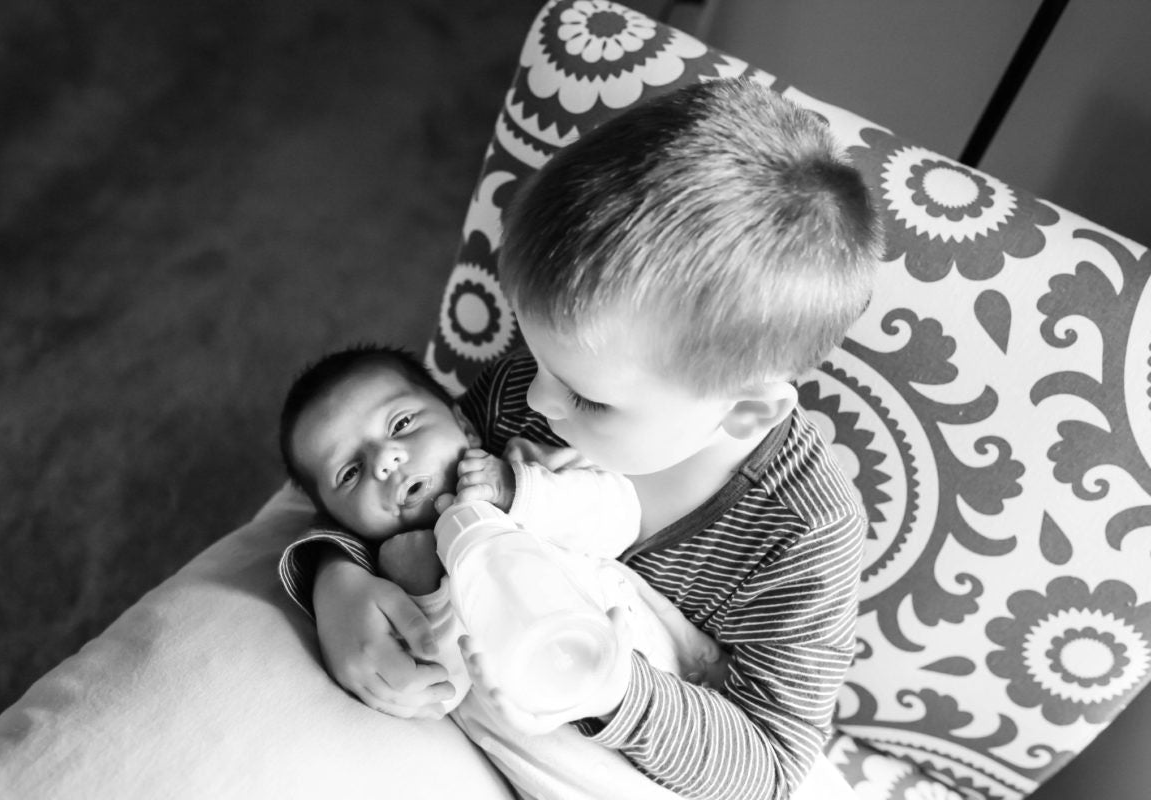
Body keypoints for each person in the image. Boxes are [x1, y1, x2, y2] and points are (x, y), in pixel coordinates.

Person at [290, 76, 880, 800]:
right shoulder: (539, 384)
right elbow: (409, 487)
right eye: (535, 360)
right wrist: (333, 576)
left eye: (588, 398)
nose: (533, 398)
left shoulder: (801, 535)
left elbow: (770, 769)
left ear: (745, 413)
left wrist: (613, 688)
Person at [277, 344, 730, 799]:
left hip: (670, 687)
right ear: (338, 520)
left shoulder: (527, 466)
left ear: (465, 426)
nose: (384, 459)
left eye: (401, 424)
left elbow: (620, 520)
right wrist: (427, 590)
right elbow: (442, 691)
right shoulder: (392, 578)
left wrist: (517, 492)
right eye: (350, 473)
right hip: (576, 773)